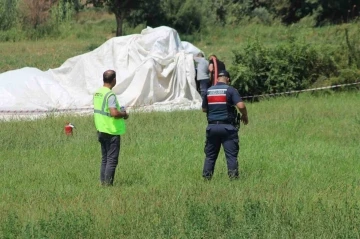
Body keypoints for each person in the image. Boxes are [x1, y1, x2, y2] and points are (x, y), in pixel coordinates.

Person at [201, 70, 248, 180]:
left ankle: (206, 180)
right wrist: (245, 115)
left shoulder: (208, 91)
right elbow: (241, 106)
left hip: (212, 127)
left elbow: (204, 109)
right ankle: (233, 179)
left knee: (210, 156)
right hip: (227, 128)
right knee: (231, 156)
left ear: (217, 79)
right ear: (228, 79)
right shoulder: (230, 90)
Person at [93, 70, 129, 186]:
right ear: (114, 80)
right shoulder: (110, 95)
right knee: (112, 160)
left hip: (101, 129)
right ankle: (108, 185)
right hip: (111, 131)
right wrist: (124, 114)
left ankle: (103, 183)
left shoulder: (98, 93)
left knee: (105, 159)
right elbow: (114, 113)